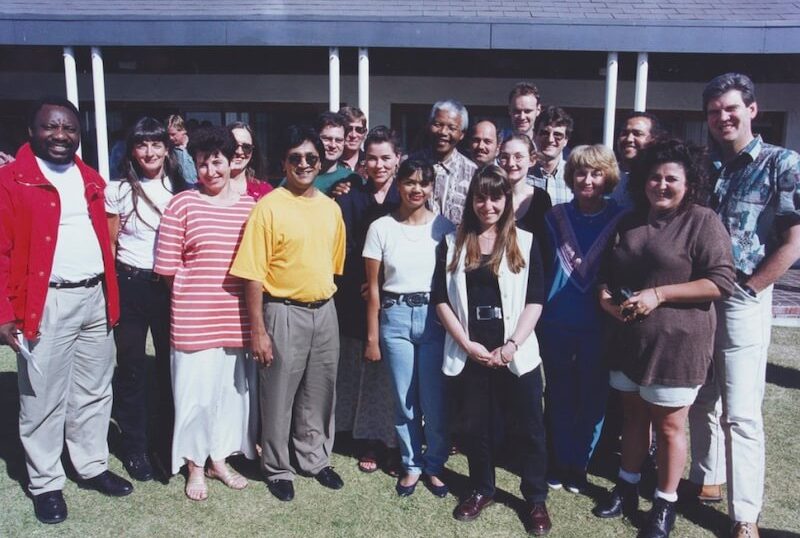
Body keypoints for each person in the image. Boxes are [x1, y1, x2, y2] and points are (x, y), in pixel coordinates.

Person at [593, 140, 735, 538]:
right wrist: (606, 299)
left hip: (677, 347)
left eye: (672, 178)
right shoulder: (630, 220)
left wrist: (661, 294)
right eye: (654, 177)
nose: (661, 184)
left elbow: (721, 282)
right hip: (630, 342)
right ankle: (626, 487)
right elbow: (609, 273)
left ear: (689, 184)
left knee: (670, 427)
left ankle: (664, 504)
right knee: (634, 417)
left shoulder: (702, 221)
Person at [0, 97, 131, 524]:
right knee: (42, 397)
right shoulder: (12, 180)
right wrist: (5, 313)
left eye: (69, 128)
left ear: (79, 134)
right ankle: (45, 483)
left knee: (94, 388)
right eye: (50, 127)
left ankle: (91, 464)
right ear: (32, 131)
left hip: (96, 297)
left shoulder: (89, 178)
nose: (60, 135)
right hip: (46, 301)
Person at [687, 73, 800, 538]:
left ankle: (744, 515)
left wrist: (753, 289)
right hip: (700, 296)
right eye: (714, 112)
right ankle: (706, 477)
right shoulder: (706, 166)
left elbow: (793, 239)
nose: (722, 118)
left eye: (730, 108)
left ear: (752, 109)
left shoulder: (782, 163)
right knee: (701, 394)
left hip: (742, 300)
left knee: (742, 410)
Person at [433, 166, 551, 535]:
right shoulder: (453, 242)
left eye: (495, 197)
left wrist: (512, 345)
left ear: (506, 201)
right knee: (474, 428)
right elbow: (440, 301)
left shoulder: (526, 242)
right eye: (481, 197)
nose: (488, 205)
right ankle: (482, 488)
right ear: (471, 200)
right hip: (470, 353)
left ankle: (534, 498)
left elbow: (536, 300)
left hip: (515, 352)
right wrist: (467, 344)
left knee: (529, 427)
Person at [231, 125, 346, 502]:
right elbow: (251, 275)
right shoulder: (268, 207)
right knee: (278, 395)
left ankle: (313, 458)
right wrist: (258, 330)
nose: (304, 164)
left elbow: (332, 266)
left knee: (319, 392)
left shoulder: (331, 209)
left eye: (311, 158)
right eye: (295, 158)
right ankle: (278, 467)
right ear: (284, 162)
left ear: (320, 161)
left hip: (324, 311)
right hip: (282, 311)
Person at [154, 126, 258, 501]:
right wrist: (194, 297)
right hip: (194, 319)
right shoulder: (181, 204)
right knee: (194, 395)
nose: (211, 171)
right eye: (202, 164)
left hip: (237, 320)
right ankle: (194, 465)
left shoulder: (251, 207)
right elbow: (167, 269)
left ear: (232, 161)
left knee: (229, 397)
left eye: (217, 161)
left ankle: (220, 458)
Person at [536, 145, 626, 493]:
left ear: (608, 177)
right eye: (581, 172)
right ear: (570, 176)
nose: (587, 180)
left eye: (596, 173)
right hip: (556, 320)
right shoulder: (554, 217)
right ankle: (559, 461)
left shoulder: (620, 218)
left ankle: (579, 464)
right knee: (559, 393)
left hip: (599, 323)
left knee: (593, 396)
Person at [363, 159, 454, 497]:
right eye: (410, 182)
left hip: (434, 318)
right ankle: (411, 463)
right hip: (395, 317)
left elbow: (453, 284)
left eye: (424, 183)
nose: (417, 189)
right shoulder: (381, 228)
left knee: (434, 399)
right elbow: (372, 287)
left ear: (432, 188)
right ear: (399, 185)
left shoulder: (444, 228)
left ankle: (435, 464)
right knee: (404, 400)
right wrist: (372, 336)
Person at [107, 117, 188, 483]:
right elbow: (110, 246)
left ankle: (167, 443)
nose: (150, 152)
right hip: (131, 283)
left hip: (168, 287)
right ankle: (135, 447)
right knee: (132, 367)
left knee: (172, 369)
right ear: (132, 150)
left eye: (157, 144)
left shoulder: (182, 190)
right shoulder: (119, 190)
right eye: (142, 145)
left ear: (167, 149)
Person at [334, 126, 402, 474]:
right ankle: (359, 436)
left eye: (385, 157)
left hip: (391, 298)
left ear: (397, 159)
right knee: (357, 368)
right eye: (371, 158)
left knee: (387, 372)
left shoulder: (405, 196)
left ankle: (388, 439)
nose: (378, 165)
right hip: (353, 295)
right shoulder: (349, 195)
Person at [410, 99, 477, 225]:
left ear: (462, 134)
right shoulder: (412, 163)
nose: (443, 132)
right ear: (429, 126)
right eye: (438, 124)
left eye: (452, 127)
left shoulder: (472, 172)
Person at [497, 134, 552, 242]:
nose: (511, 163)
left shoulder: (541, 199)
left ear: (532, 160)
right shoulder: (491, 197)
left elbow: (546, 243)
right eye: (504, 157)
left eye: (518, 157)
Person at [611, 112, 665, 209]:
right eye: (624, 133)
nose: (629, 139)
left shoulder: (658, 178)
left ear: (654, 139)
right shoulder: (605, 174)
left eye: (637, 134)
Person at [529, 106, 574, 206]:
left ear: (566, 140)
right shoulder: (522, 174)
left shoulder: (574, 177)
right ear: (535, 135)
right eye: (545, 133)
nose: (550, 140)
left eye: (557, 135)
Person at [227, 121, 273, 201]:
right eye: (233, 145)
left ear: (253, 153)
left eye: (246, 147)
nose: (239, 152)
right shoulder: (206, 186)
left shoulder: (264, 191)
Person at [166, 114, 198, 185]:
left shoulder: (196, 146)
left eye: (173, 134)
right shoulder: (169, 151)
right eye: (168, 135)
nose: (170, 138)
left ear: (183, 130)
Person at [339, 105, 368, 174]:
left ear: (364, 133)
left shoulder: (370, 163)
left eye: (359, 130)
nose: (353, 135)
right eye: (348, 129)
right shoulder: (329, 165)